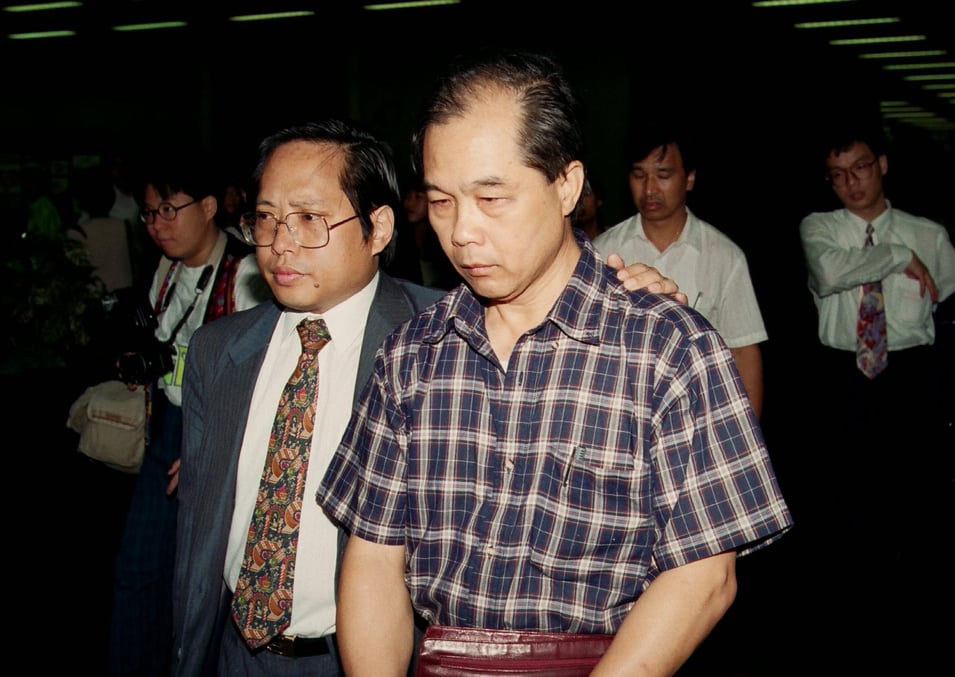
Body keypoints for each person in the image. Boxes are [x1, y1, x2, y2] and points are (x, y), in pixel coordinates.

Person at [316, 50, 793, 676]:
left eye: (492, 198)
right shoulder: (413, 355)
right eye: (440, 202)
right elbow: (375, 557)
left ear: (566, 185)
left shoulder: (668, 348)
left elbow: (705, 577)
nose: (461, 232)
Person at [171, 118, 683, 677]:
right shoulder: (217, 352)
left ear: (379, 227)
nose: (280, 243)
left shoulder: (442, 340)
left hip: (368, 655)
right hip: (231, 654)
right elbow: (200, 532)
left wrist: (629, 291)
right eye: (266, 219)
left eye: (310, 219)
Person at [797, 123, 955, 674]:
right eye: (837, 176)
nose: (850, 183)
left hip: (910, 380)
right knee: (844, 514)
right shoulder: (819, 227)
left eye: (859, 168)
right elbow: (831, 273)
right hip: (841, 381)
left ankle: (912, 638)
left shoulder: (929, 232)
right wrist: (898, 257)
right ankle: (848, 637)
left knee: (912, 511)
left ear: (882, 164)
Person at [108, 155, 268, 677]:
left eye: (169, 210)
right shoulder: (167, 268)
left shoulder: (244, 273)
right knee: (140, 569)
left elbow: (255, 376)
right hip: (167, 428)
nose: (158, 225)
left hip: (213, 434)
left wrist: (213, 448)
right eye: (150, 213)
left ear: (207, 207)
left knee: (197, 576)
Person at [592, 120, 768, 419]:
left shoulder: (724, 256)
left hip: (699, 413)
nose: (649, 189)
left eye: (663, 175)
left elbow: (743, 352)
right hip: (619, 414)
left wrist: (746, 430)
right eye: (638, 175)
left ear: (689, 179)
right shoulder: (602, 251)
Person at [574, 173, 606, 240]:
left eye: (586, 194)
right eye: (576, 195)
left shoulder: (613, 239)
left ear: (599, 200)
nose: (579, 201)